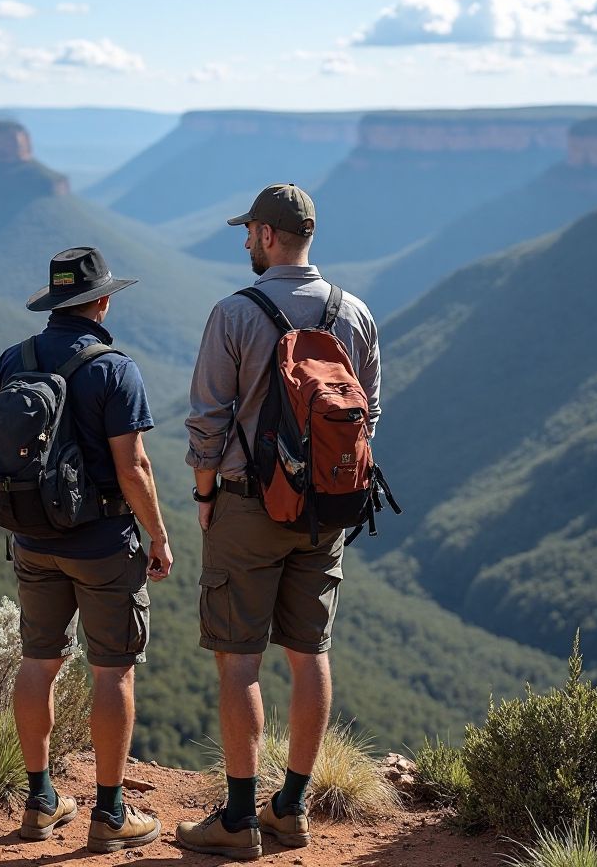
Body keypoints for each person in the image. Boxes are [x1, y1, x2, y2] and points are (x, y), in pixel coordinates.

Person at [177, 184, 381, 860]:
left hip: (248, 505)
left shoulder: (234, 313)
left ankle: (238, 821)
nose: (244, 242)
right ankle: (291, 809)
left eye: (249, 233)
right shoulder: (355, 312)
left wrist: (206, 497)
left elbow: (208, 417)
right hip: (328, 511)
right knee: (310, 653)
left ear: (267, 236)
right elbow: (367, 417)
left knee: (239, 659)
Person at [0, 247, 172, 855]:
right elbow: (134, 467)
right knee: (111, 668)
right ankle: (110, 812)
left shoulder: (15, 359)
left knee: (39, 660)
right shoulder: (116, 369)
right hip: (102, 543)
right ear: (104, 299)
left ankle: (40, 801)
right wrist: (159, 537)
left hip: (32, 539)